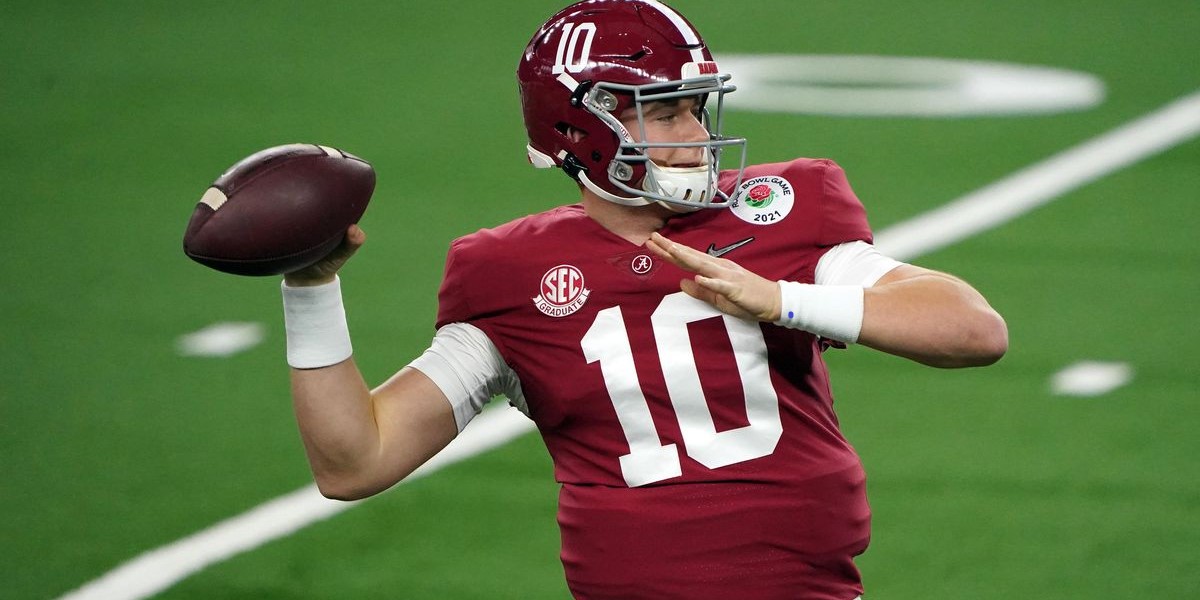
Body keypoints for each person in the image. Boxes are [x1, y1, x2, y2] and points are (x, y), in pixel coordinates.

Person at [278, 1, 1008, 598]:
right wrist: (311, 287)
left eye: (695, 108)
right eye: (664, 114)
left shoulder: (780, 208)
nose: (695, 136)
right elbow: (356, 463)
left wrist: (782, 299)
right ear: (579, 128)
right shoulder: (506, 273)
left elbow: (974, 332)